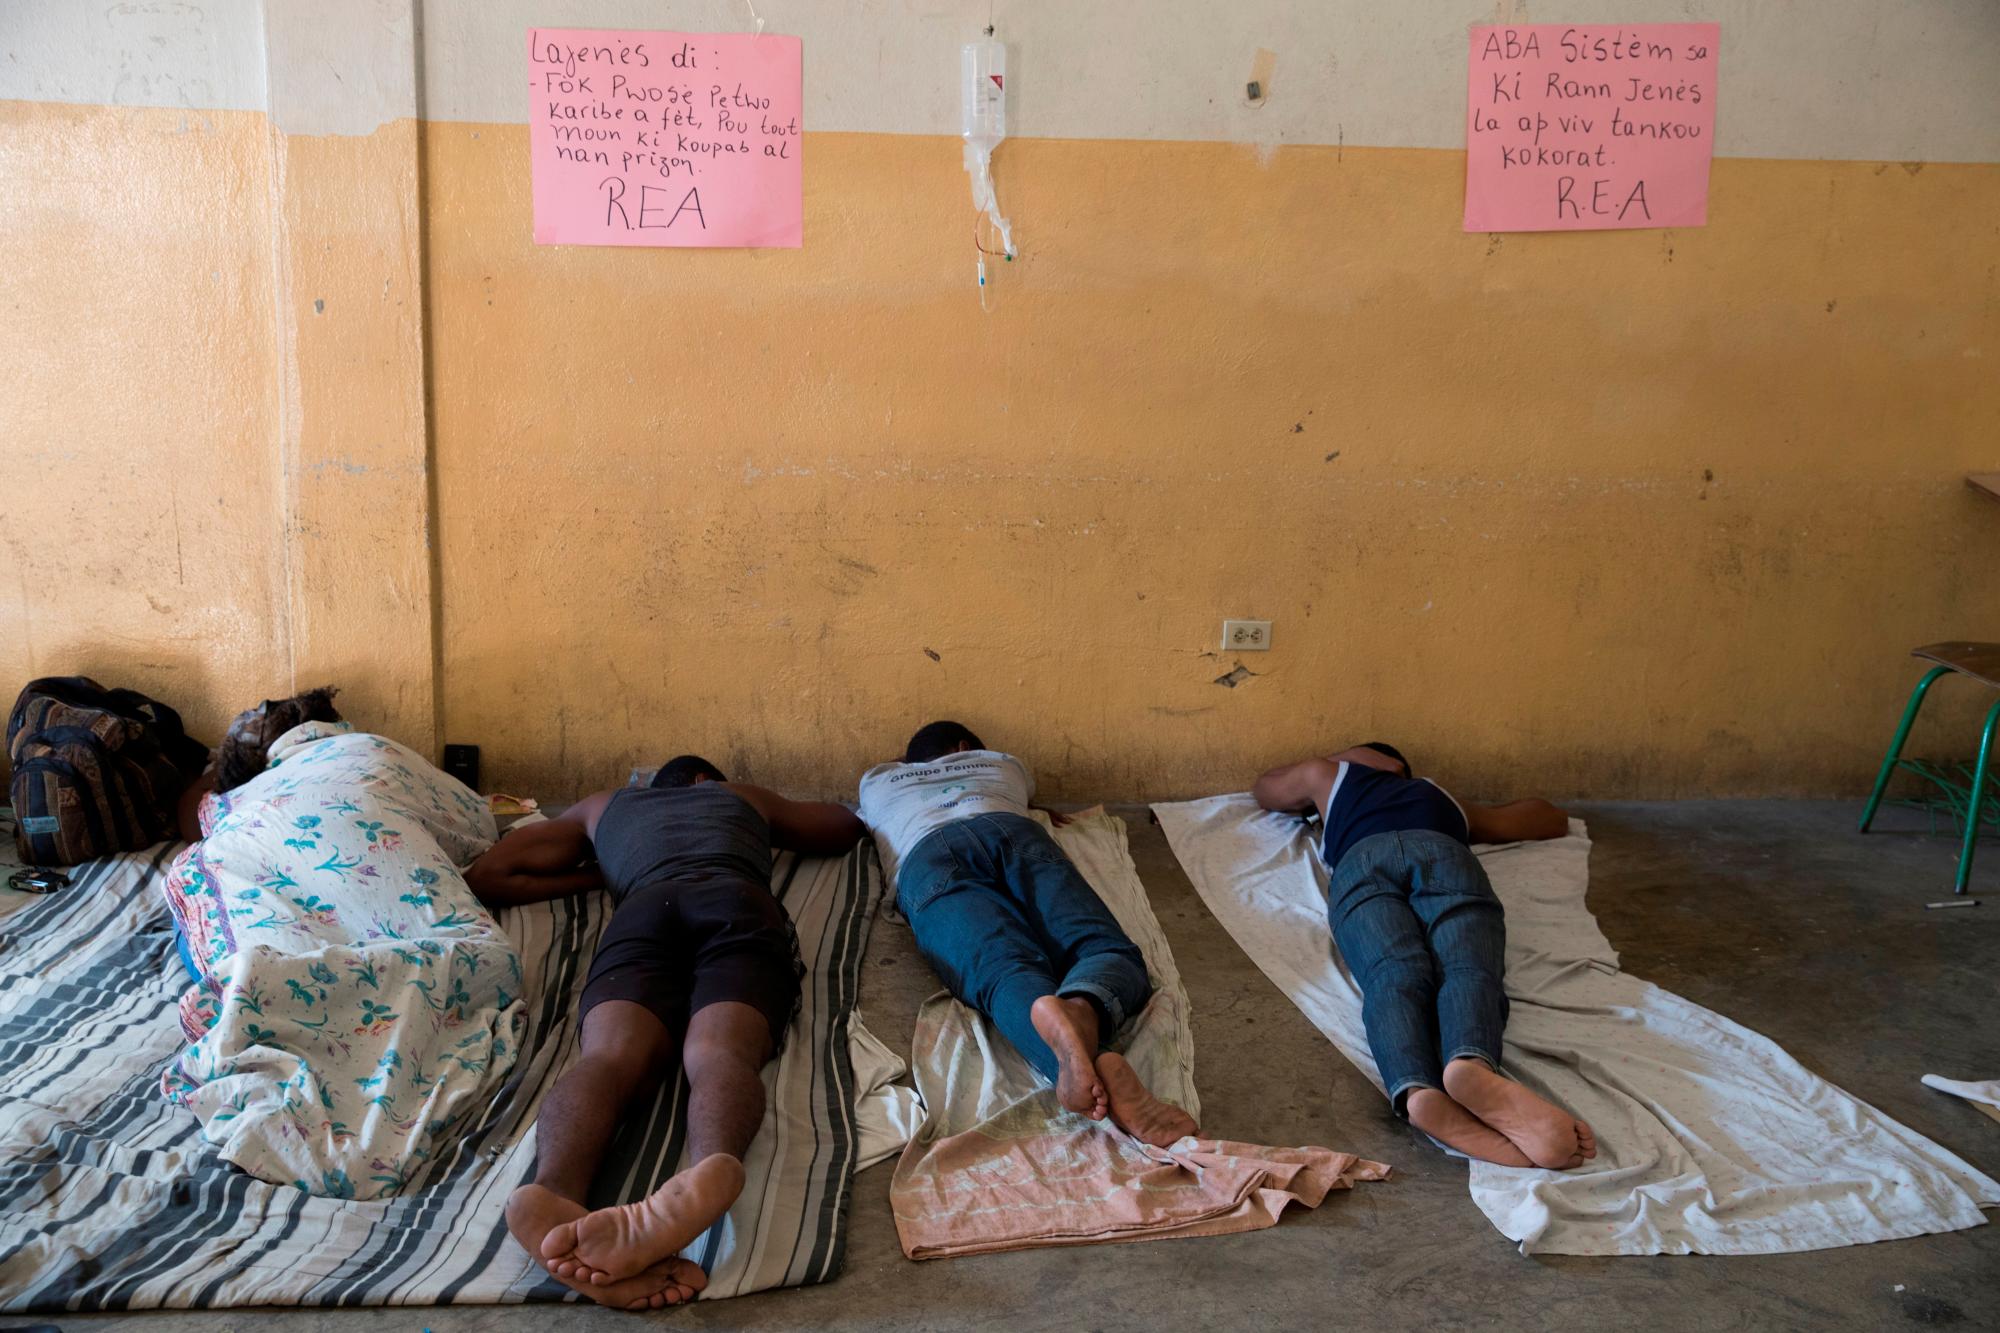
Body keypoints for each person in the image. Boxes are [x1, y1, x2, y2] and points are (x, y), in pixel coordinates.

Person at [465, 756, 864, 1311]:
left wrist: (603, 870)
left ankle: (553, 1189)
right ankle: (707, 1168)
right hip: (734, 899)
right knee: (720, 1050)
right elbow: (844, 827)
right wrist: (757, 815)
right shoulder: (737, 796)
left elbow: (489, 876)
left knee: (608, 1056)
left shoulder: (604, 806)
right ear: (705, 781)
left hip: (643, 906)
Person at [160, 688, 528, 1203]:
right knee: (475, 961)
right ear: (335, 723)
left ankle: (268, 994)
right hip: (301, 844)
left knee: (261, 949)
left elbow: (187, 816)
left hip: (239, 860)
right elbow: (476, 824)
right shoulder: (376, 749)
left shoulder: (233, 798)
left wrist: (230, 772)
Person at [1253, 742, 1597, 1170]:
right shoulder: (1442, 798)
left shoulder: (1329, 775)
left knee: (1392, 973)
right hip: (1442, 851)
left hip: (1362, 860)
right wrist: (1465, 806)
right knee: (1468, 964)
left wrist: (1340, 760)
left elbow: (1265, 790)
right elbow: (1549, 818)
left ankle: (1418, 1091)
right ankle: (1469, 1064)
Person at [858, 721, 1196, 1147]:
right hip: (1012, 832)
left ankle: (1082, 1060)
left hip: (928, 856)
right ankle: (1084, 1007)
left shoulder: (877, 783)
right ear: (965, 749)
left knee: (1004, 972)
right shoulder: (1003, 766)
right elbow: (1027, 796)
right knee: (1104, 948)